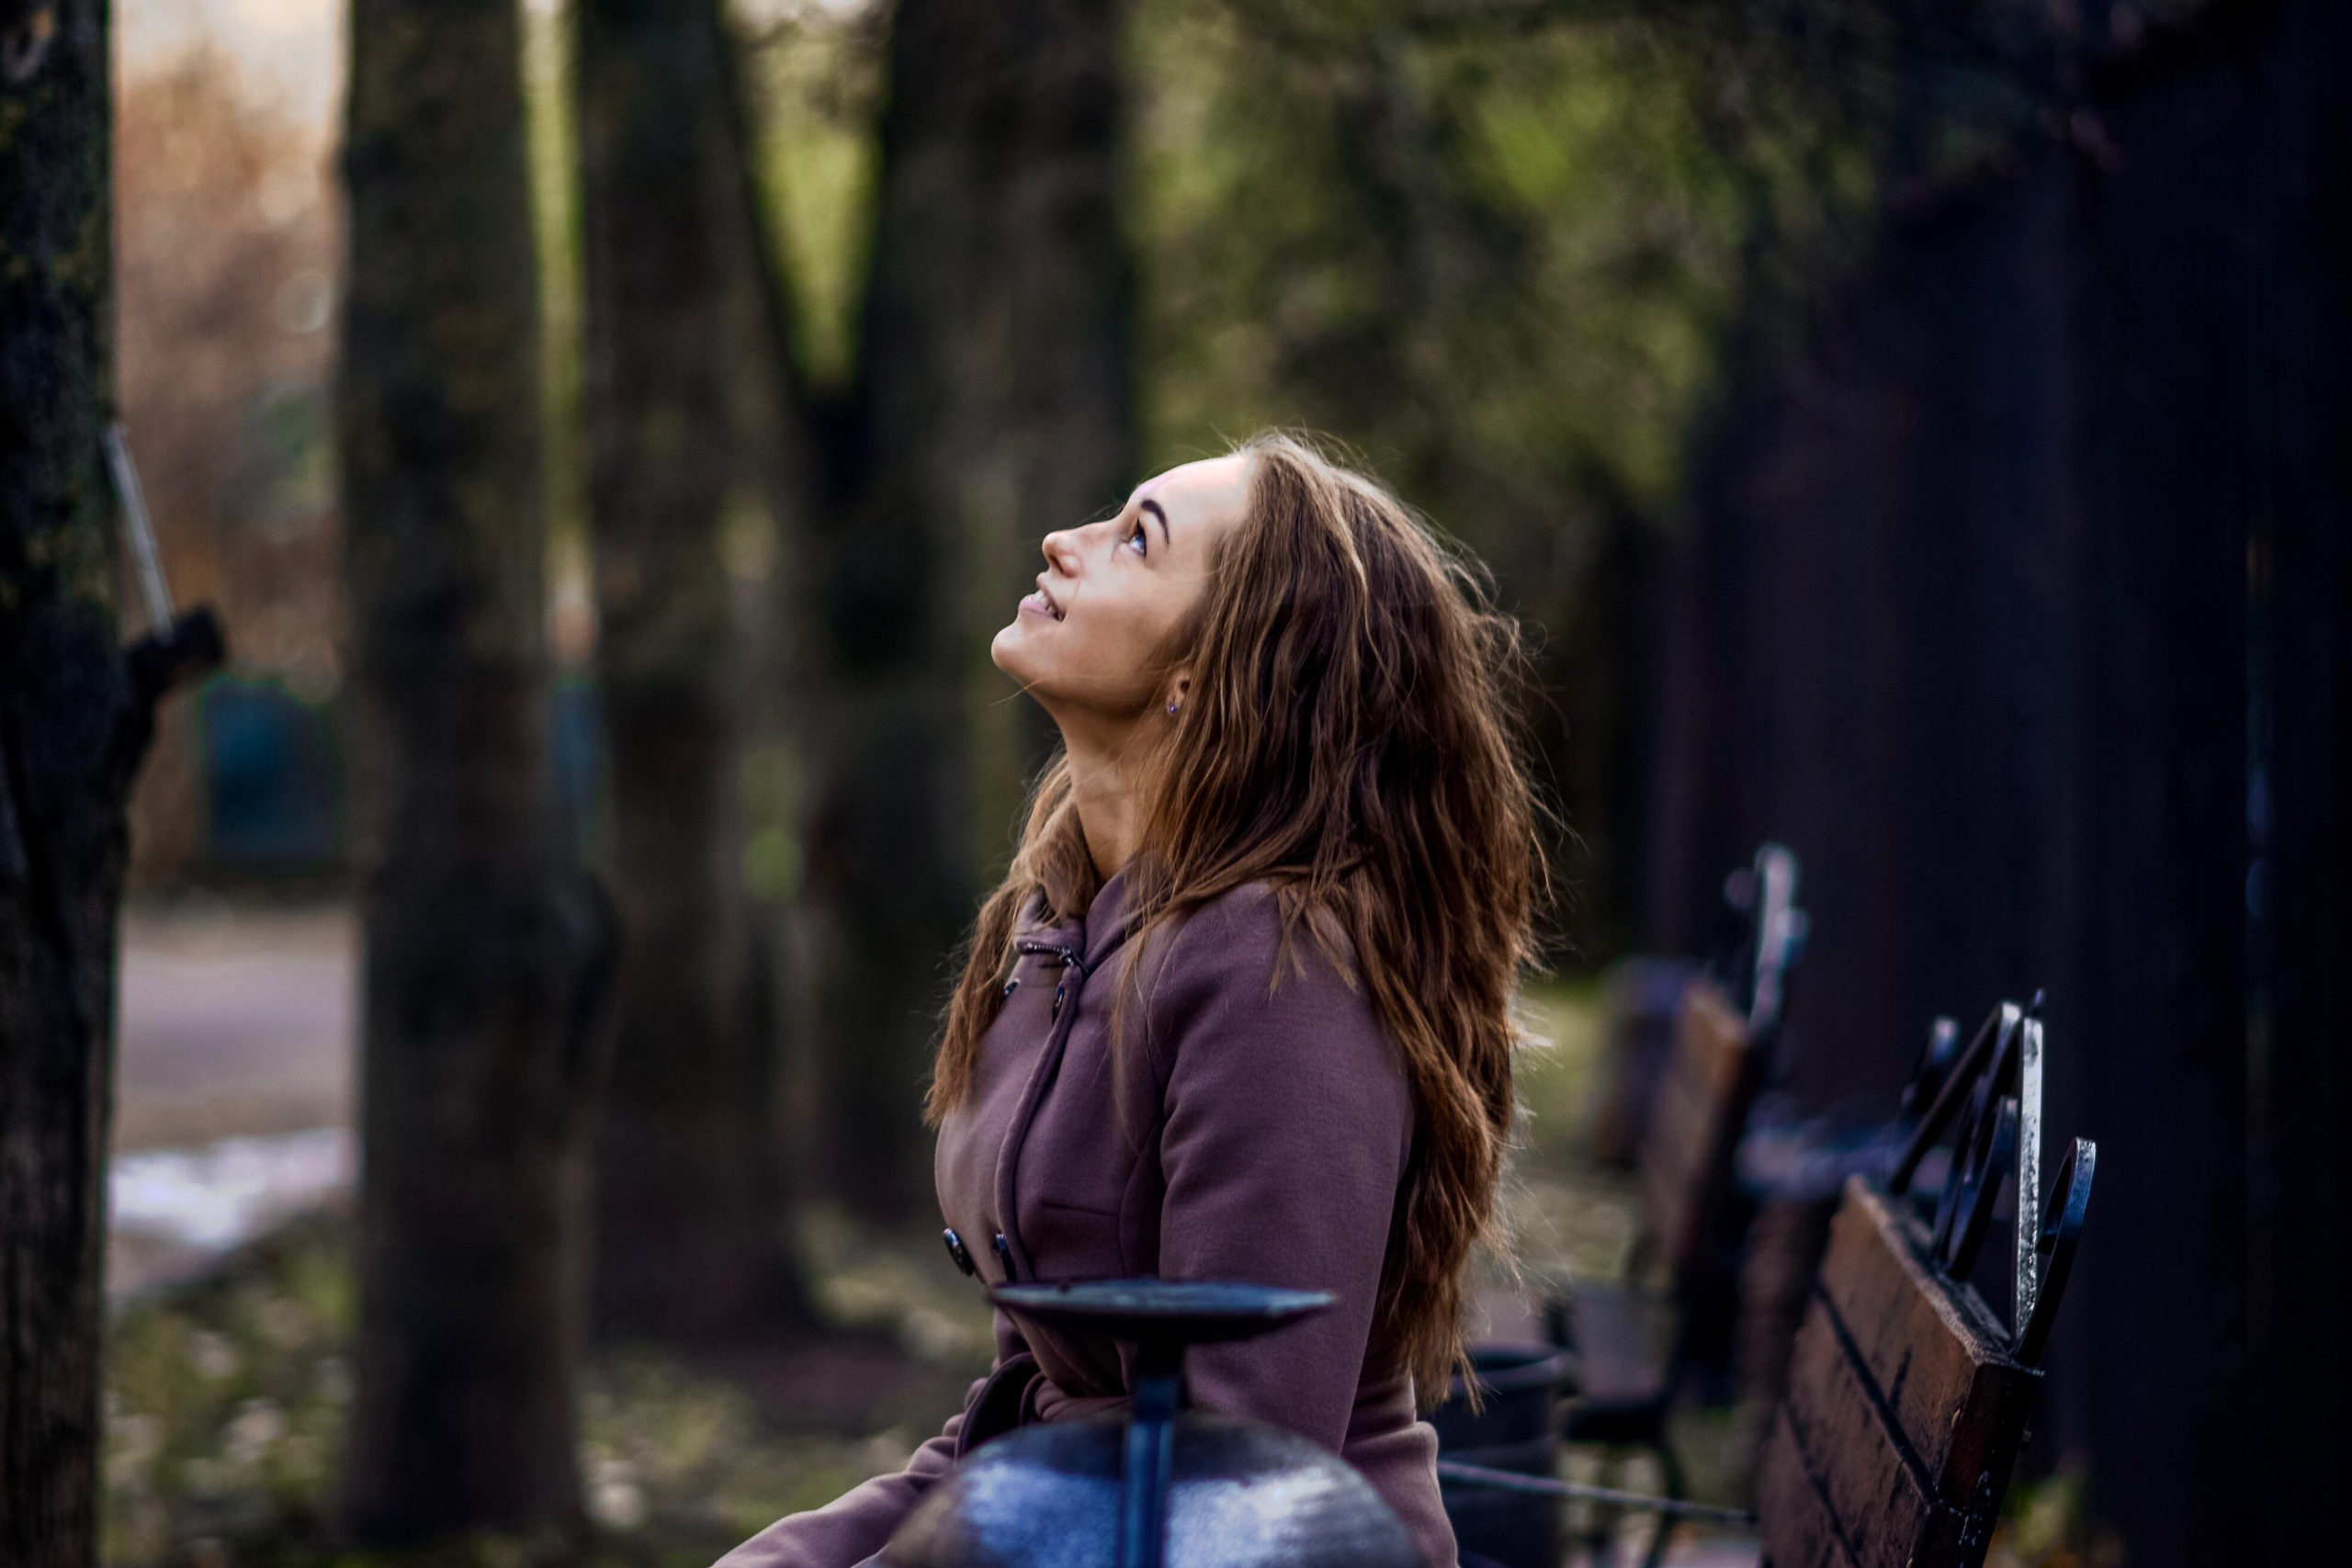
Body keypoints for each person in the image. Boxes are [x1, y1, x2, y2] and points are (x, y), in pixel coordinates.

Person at [718, 433, 1542, 1568]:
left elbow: (1242, 1488)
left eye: (1134, 539)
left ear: (1206, 673)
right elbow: (1025, 1409)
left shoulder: (1279, 969)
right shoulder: (1061, 919)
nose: (1064, 542)